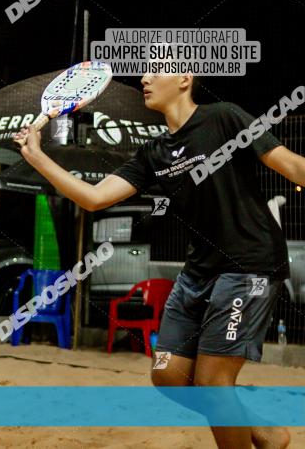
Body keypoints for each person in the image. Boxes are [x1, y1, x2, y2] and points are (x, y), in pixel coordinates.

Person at [15, 73, 304, 449]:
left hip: (248, 265)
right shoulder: (155, 152)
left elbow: (292, 167)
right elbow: (93, 197)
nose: (144, 78)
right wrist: (37, 157)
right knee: (167, 375)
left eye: (156, 69)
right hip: (199, 271)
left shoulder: (225, 117)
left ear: (185, 78)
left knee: (214, 382)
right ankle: (264, 432)